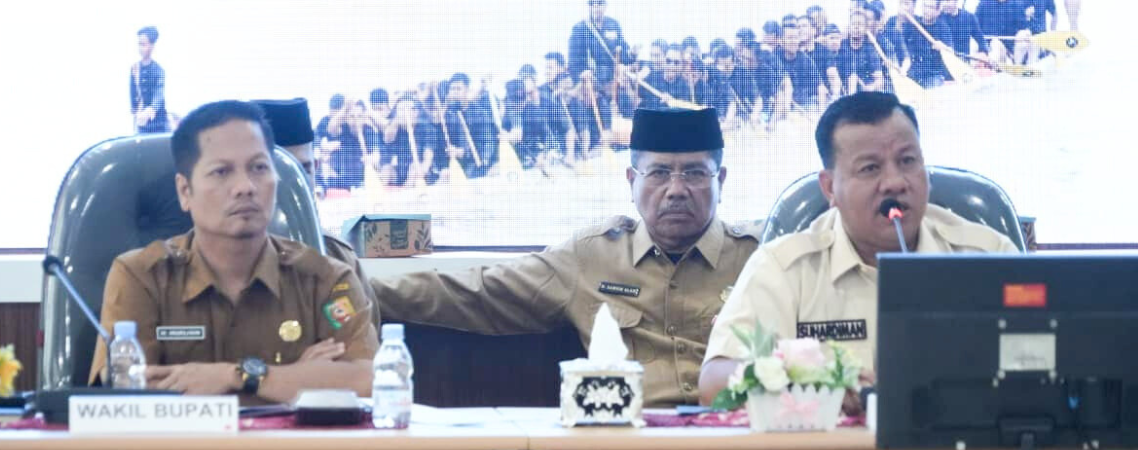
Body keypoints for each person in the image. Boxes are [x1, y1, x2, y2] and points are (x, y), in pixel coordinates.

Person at [369, 108, 763, 407]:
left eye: (694, 173)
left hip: (737, 436)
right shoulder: (593, 256)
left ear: (721, 180)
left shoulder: (759, 257)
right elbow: (475, 291)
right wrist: (357, 293)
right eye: (659, 173)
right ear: (632, 182)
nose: (676, 189)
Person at [698, 92, 1018, 406]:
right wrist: (810, 382)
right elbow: (715, 385)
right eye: (870, 168)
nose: (895, 182)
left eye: (907, 161)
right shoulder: (785, 268)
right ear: (829, 188)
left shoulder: (988, 256)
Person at [90, 100, 378, 404]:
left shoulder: (325, 280)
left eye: (259, 168)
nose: (245, 186)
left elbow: (370, 381)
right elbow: (126, 396)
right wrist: (299, 378)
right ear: (185, 191)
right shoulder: (142, 277)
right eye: (221, 171)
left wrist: (239, 376)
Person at [253, 98, 380, 327]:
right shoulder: (213, 257)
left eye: (304, 170)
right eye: (273, 171)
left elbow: (361, 342)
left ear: (316, 167)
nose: (293, 185)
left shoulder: (337, 257)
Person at [568, 0, 632, 84]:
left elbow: (621, 46)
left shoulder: (613, 24)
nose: (595, 7)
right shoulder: (580, 28)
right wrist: (582, 72)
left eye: (599, 3)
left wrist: (628, 58)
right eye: (592, 4)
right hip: (593, 75)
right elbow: (574, 58)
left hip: (614, 73)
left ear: (605, 5)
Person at [904, 0, 954, 88]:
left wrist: (943, 47)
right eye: (925, 6)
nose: (926, 10)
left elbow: (951, 52)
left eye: (930, 7)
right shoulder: (912, 24)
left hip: (933, 75)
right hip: (913, 73)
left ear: (938, 11)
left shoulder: (943, 28)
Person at [131, 26, 169, 134]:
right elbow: (133, 93)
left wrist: (151, 109)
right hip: (141, 123)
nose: (140, 48)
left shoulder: (158, 70)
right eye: (139, 44)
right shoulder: (135, 68)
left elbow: (159, 93)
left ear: (152, 46)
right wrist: (135, 113)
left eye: (143, 44)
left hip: (158, 122)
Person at [837, 11, 885, 93]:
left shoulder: (869, 49)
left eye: (860, 24)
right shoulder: (840, 46)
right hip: (843, 91)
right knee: (852, 78)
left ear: (866, 29)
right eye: (853, 24)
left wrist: (870, 88)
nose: (856, 27)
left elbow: (880, 80)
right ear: (849, 27)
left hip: (864, 91)